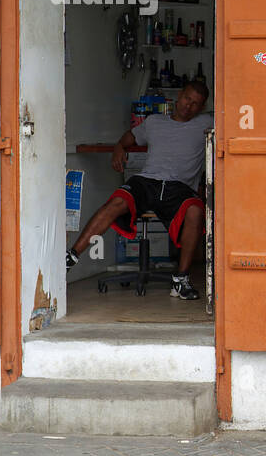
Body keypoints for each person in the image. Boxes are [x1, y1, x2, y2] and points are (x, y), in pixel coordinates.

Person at [66, 81, 214, 300]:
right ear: (179, 96)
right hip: (147, 182)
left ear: (201, 108)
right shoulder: (154, 122)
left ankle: (180, 280)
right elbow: (129, 137)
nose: (188, 106)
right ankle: (70, 258)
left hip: (179, 188)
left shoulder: (206, 122)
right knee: (116, 202)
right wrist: (118, 148)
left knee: (195, 211)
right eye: (186, 99)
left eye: (195, 104)